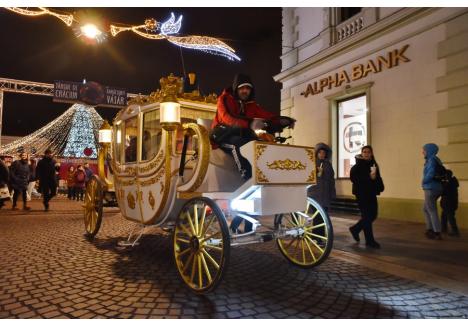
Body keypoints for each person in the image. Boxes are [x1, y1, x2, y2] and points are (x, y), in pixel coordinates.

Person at [210, 73, 295, 234]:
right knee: (237, 146)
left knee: (262, 145)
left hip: (243, 137)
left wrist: (282, 121)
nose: (245, 91)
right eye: (242, 88)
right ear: (236, 88)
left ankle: (241, 224)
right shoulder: (224, 99)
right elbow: (227, 118)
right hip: (223, 137)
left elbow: (266, 116)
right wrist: (250, 123)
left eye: (248, 88)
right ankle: (246, 174)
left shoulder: (251, 105)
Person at [349, 146, 384, 249]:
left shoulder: (374, 164)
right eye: (364, 152)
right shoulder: (357, 166)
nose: (366, 154)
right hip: (361, 195)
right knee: (367, 217)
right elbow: (354, 179)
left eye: (368, 152)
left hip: (371, 194)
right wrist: (369, 178)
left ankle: (355, 229)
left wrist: (376, 180)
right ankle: (370, 240)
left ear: (371, 153)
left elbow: (377, 178)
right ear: (362, 153)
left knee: (373, 215)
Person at [421, 143, 444, 240]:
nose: (422, 152)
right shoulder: (436, 160)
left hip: (430, 187)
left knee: (431, 210)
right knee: (426, 209)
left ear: (429, 150)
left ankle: (436, 232)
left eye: (424, 150)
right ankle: (430, 229)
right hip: (437, 187)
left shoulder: (431, 160)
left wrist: (423, 181)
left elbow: (430, 174)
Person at [307, 143, 336, 215]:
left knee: (324, 214)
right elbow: (308, 176)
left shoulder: (328, 164)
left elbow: (331, 179)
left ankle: (323, 227)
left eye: (323, 153)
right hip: (315, 193)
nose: (322, 154)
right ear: (316, 153)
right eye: (320, 152)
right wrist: (317, 171)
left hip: (326, 193)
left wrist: (332, 192)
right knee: (316, 214)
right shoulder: (312, 163)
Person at [440, 169, 460, 237]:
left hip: (448, 203)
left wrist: (442, 183)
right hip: (452, 203)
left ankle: (455, 231)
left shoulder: (449, 183)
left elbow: (443, 191)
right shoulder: (453, 182)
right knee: (444, 216)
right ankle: (444, 228)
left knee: (450, 217)